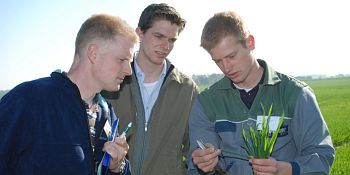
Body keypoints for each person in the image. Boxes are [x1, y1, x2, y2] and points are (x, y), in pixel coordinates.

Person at [187, 11, 335, 175]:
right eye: (218, 61)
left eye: (231, 56)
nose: (226, 68)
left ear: (250, 43)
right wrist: (204, 166)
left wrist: (284, 169)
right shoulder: (206, 102)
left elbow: (322, 157)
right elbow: (196, 166)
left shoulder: (296, 94)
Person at [0, 14, 139, 175]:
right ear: (93, 53)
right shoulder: (28, 99)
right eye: (122, 60)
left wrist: (118, 167)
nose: (129, 71)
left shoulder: (108, 114)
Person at [102, 3, 198, 175]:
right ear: (139, 33)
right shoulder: (111, 80)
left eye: (172, 40)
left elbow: (196, 151)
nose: (166, 46)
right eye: (159, 36)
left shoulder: (187, 89)